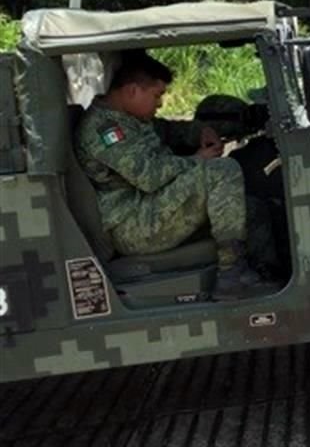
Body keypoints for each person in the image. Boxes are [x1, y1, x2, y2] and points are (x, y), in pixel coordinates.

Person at [74, 51, 274, 300]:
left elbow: (166, 130)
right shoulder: (104, 130)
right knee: (222, 171)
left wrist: (200, 131)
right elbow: (150, 176)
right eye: (156, 96)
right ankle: (231, 276)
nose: (159, 104)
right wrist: (197, 160)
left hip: (154, 210)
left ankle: (268, 279)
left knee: (250, 208)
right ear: (132, 91)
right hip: (135, 224)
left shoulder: (129, 117)